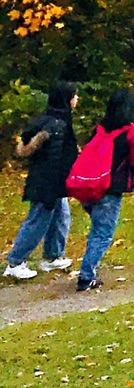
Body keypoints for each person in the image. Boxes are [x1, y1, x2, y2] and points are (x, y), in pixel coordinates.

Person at [74, 88, 134, 293]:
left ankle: (90, 267)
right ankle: (86, 275)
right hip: (110, 188)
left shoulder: (99, 128)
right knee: (102, 233)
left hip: (88, 185)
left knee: (97, 229)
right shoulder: (132, 132)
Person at [4, 81, 78, 281]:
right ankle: (15, 261)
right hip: (48, 182)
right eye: (74, 96)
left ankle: (53, 255)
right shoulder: (57, 125)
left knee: (61, 216)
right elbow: (55, 157)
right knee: (38, 220)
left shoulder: (51, 120)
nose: (77, 99)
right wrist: (55, 185)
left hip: (52, 181)